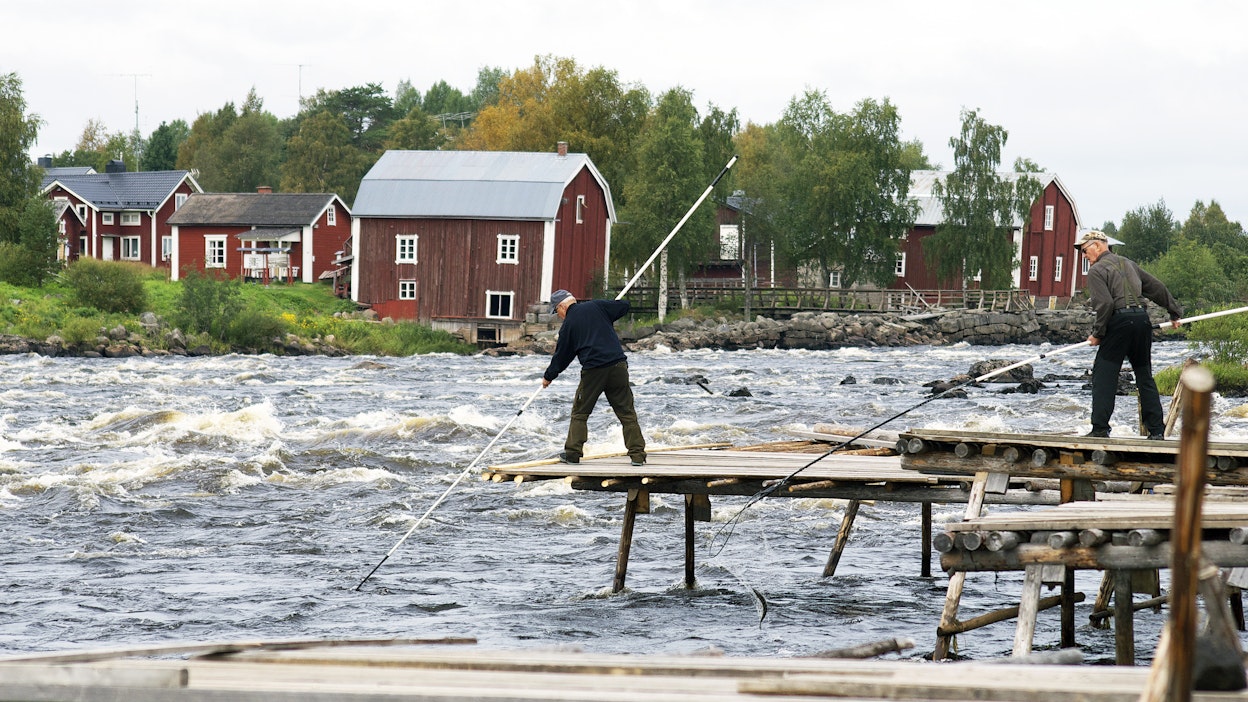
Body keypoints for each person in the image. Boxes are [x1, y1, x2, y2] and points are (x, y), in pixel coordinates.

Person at [1076, 230, 1183, 439]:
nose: (1084, 255)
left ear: (1098, 245)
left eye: (1084, 250)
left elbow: (1105, 304)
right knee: (1144, 376)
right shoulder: (1129, 263)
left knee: (1104, 375)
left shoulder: (1097, 270)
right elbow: (1156, 288)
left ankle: (1099, 429)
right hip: (1142, 321)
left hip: (1119, 323)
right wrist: (1174, 312)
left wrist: (1097, 334)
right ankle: (1156, 431)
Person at [541, 289, 647, 466]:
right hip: (618, 366)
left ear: (562, 306)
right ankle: (637, 456)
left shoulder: (568, 325)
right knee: (627, 413)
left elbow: (562, 356)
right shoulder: (597, 306)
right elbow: (624, 306)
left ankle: (573, 454)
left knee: (580, 413)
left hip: (594, 370)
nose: (558, 316)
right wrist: (611, 309)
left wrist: (548, 377)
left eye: (556, 312)